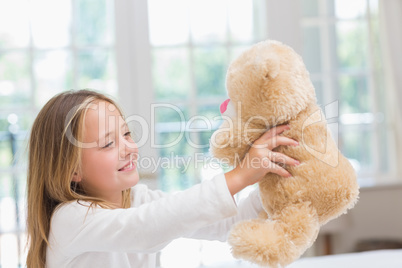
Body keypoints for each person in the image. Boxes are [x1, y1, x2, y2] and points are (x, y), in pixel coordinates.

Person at [26, 89, 299, 268]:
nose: (129, 148)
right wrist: (241, 174)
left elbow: (229, 222)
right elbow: (146, 229)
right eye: (108, 144)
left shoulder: (138, 199)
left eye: (127, 134)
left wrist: (281, 178)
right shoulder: (70, 219)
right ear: (72, 170)